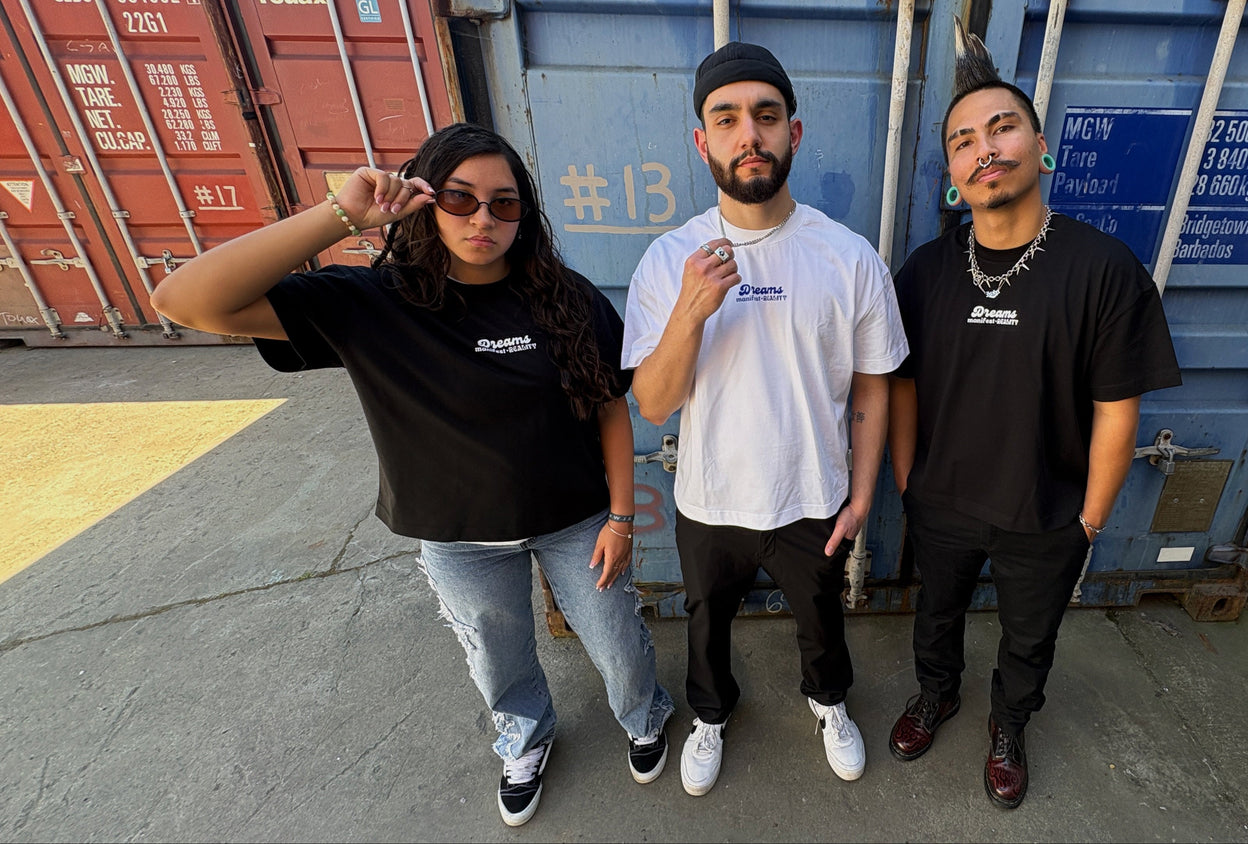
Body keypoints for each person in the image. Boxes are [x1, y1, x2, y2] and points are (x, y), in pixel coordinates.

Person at [150, 123, 674, 828]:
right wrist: (342, 215)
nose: (483, 218)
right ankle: (525, 738)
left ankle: (645, 716)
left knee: (614, 635)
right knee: (497, 655)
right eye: (460, 198)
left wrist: (620, 516)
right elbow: (184, 301)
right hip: (455, 535)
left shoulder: (567, 297)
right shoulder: (374, 303)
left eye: (504, 204)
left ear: (525, 216)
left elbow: (610, 404)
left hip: (577, 519)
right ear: (423, 200)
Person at [885, 27, 1181, 810]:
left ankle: (1009, 726)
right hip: (941, 502)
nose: (985, 148)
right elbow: (904, 385)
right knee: (934, 617)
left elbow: (1119, 407)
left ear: (1040, 147)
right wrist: (908, 480)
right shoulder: (923, 271)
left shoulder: (1103, 269)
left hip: (1045, 513)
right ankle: (935, 696)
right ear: (951, 172)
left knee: (1029, 639)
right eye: (963, 140)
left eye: (1002, 128)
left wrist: (1088, 520)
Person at [621, 42, 908, 796]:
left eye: (766, 116)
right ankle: (710, 716)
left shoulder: (847, 258)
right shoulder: (668, 260)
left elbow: (875, 390)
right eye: (727, 118)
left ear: (794, 133)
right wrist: (691, 310)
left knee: (821, 620)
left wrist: (864, 495)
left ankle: (829, 702)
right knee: (706, 624)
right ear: (703, 141)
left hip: (814, 495)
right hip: (710, 498)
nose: (749, 133)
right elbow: (652, 404)